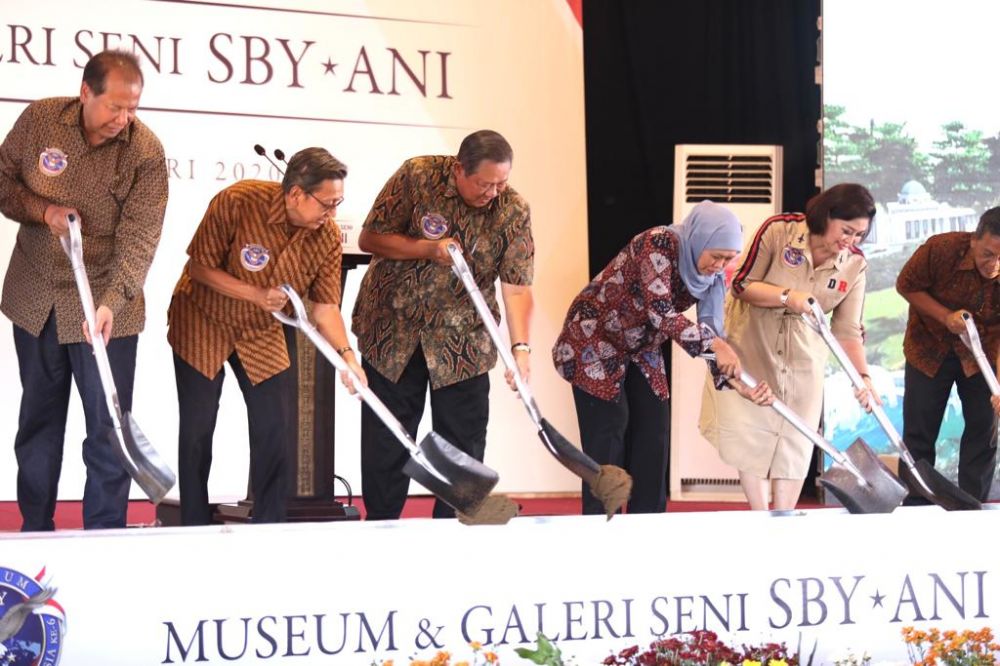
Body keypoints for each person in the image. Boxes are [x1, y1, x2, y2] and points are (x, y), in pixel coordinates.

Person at [0, 50, 167, 531]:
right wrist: (44, 211)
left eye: (132, 107)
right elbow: (3, 182)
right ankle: (35, 531)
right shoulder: (41, 121)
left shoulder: (145, 152)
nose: (124, 118)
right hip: (36, 298)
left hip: (104, 305)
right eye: (114, 106)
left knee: (108, 431)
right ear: (85, 93)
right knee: (39, 425)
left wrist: (113, 300)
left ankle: (104, 538)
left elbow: (140, 238)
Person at [167, 147, 364, 525]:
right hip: (203, 317)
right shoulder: (238, 202)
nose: (332, 214)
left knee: (274, 426)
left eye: (338, 203)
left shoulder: (325, 238)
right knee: (198, 427)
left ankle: (270, 525)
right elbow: (200, 267)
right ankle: (192, 524)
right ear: (295, 195)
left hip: (260, 329)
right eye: (327, 203)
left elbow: (325, 307)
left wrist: (347, 357)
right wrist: (256, 294)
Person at [352, 129, 533, 520]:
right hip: (393, 331)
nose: (493, 192)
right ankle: (382, 527)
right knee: (388, 440)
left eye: (502, 182)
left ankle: (453, 533)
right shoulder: (417, 176)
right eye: (485, 183)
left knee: (462, 444)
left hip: (463, 342)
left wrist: (520, 349)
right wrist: (426, 249)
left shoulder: (513, 210)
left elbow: (517, 287)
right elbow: (371, 238)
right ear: (458, 170)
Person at [553, 200, 771, 515]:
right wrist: (717, 347)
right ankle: (600, 523)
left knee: (654, 429)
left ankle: (649, 523)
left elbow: (712, 331)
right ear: (701, 240)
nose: (720, 265)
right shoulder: (658, 243)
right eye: (716, 256)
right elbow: (661, 314)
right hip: (594, 337)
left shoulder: (712, 278)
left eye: (728, 259)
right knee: (609, 429)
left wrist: (734, 381)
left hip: (641, 345)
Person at [700, 183, 879, 511]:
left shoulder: (855, 265)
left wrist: (863, 379)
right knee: (749, 427)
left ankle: (783, 517)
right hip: (754, 339)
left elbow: (847, 331)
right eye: (846, 230)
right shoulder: (779, 231)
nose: (849, 241)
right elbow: (741, 284)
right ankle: (759, 513)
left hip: (803, 353)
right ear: (827, 216)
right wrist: (788, 296)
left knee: (796, 438)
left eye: (858, 235)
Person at [896, 208, 1000, 503]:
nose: (994, 265)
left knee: (984, 431)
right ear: (974, 240)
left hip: (984, 358)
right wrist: (945, 317)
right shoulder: (941, 248)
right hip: (929, 350)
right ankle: (916, 507)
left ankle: (971, 507)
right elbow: (906, 284)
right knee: (919, 433)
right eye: (988, 254)